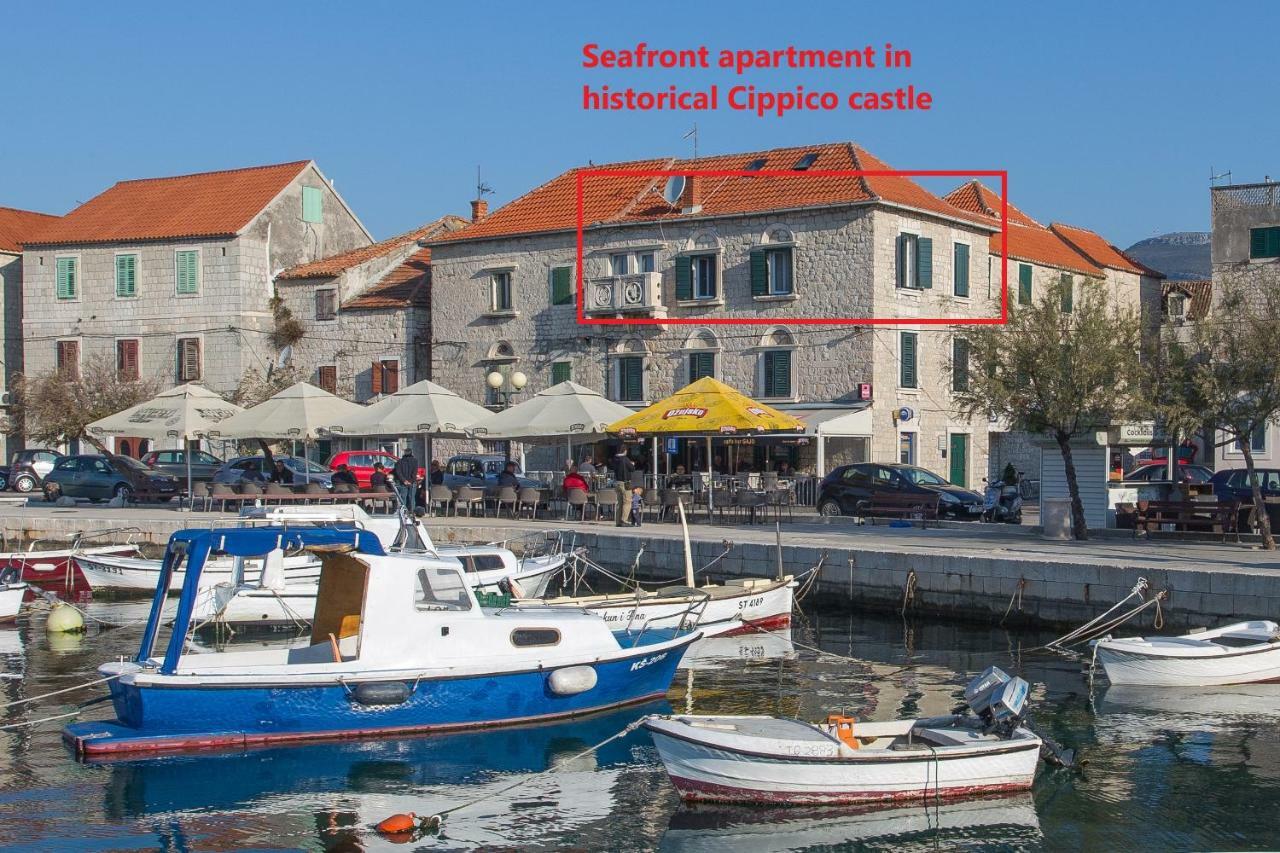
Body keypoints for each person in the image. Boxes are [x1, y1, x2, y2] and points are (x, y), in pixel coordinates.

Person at [611, 449, 635, 526]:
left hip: (617, 482)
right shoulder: (625, 459)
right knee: (627, 502)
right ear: (625, 451)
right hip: (625, 483)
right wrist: (632, 464)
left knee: (619, 503)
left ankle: (618, 522)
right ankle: (624, 520)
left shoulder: (615, 459)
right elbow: (632, 469)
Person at [394, 448, 420, 514]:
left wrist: (404, 480)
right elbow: (415, 472)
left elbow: (398, 472)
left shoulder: (399, 462)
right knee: (412, 498)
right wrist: (411, 481)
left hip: (402, 483)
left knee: (403, 498)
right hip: (412, 482)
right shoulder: (415, 461)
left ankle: (404, 512)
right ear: (411, 453)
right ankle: (412, 512)